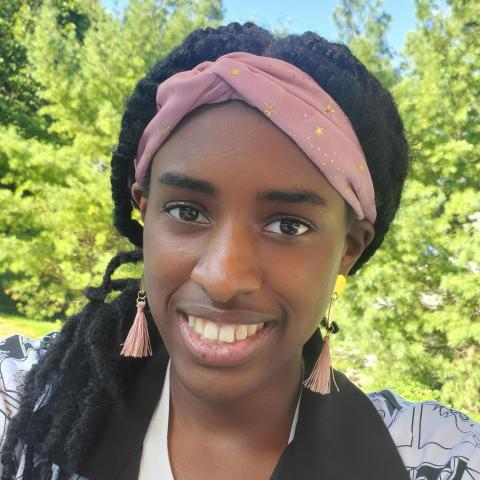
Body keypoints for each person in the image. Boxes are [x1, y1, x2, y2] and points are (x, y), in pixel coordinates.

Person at [0, 22, 478, 480]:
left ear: (348, 249)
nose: (223, 278)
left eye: (288, 224)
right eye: (187, 212)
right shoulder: (22, 399)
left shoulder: (436, 458)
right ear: (145, 216)